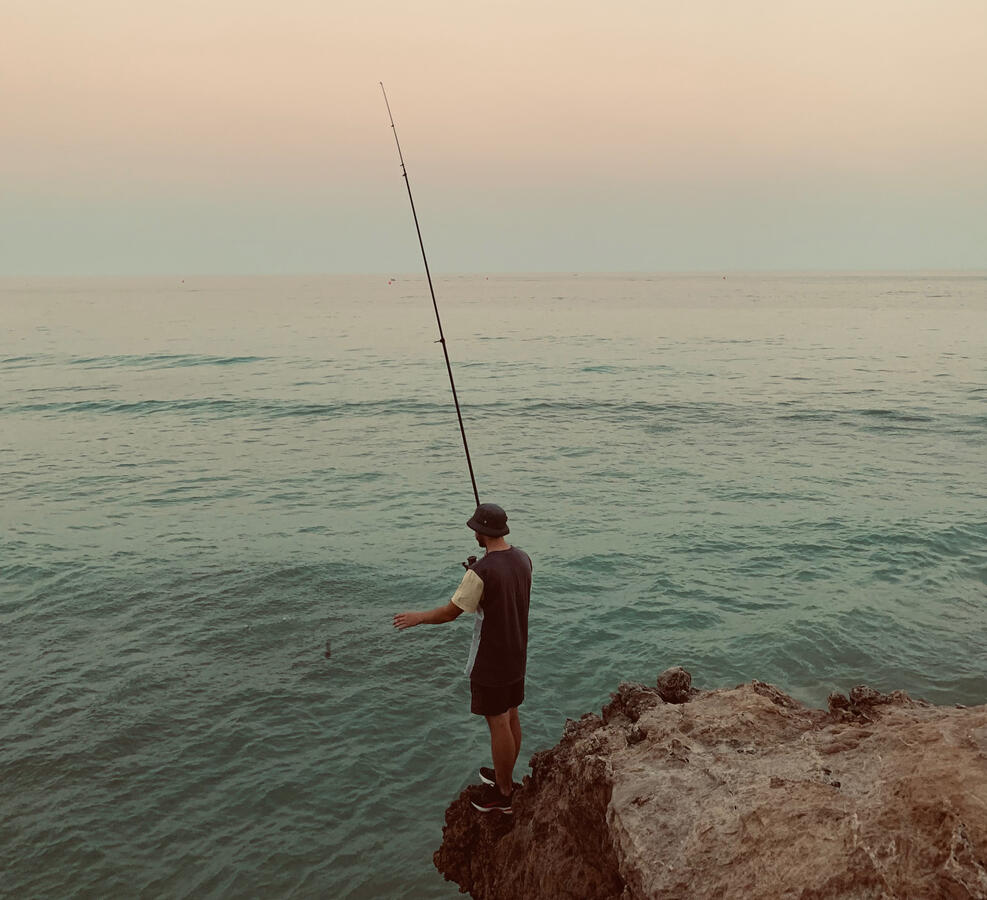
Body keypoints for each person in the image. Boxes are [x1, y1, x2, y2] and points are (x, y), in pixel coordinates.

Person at [393, 503, 532, 815]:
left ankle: (504, 793)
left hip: (491, 659)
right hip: (517, 653)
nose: (473, 534)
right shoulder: (523, 558)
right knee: (511, 715)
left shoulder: (481, 572)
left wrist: (418, 617)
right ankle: (506, 775)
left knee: (498, 722)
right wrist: (476, 575)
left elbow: (449, 613)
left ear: (483, 532)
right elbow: (501, 591)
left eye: (475, 529)